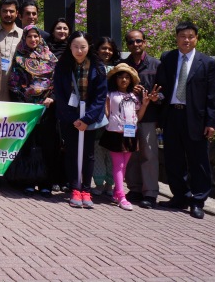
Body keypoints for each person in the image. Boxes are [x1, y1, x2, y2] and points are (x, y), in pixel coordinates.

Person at [155, 22, 215, 220]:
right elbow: (162, 86)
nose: (186, 40)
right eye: (183, 36)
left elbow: (213, 95)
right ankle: (180, 196)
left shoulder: (207, 63)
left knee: (198, 161)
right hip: (172, 115)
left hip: (196, 118)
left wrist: (211, 122)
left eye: (191, 36)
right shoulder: (168, 57)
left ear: (196, 38)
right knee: (173, 159)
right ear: (176, 38)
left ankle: (198, 200)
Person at [52, 31, 107, 209]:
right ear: (70, 47)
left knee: (88, 154)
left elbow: (100, 96)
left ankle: (86, 190)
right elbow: (59, 94)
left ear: (88, 47)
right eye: (75, 46)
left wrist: (87, 119)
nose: (79, 50)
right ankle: (75, 188)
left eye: (82, 47)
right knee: (72, 152)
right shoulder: (62, 66)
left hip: (89, 117)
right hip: (70, 117)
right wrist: (72, 118)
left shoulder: (97, 67)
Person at [100, 63, 160, 212]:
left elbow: (138, 117)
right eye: (120, 77)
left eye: (127, 77)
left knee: (125, 165)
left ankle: (116, 190)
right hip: (114, 133)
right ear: (115, 79)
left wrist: (145, 104)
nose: (124, 80)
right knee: (118, 165)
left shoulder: (134, 97)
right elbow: (106, 113)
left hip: (130, 133)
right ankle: (121, 195)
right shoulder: (110, 94)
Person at [9, 25, 60, 195]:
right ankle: (28, 181)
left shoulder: (50, 58)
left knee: (47, 145)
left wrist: (51, 97)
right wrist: (24, 103)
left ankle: (46, 183)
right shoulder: (19, 58)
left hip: (47, 108)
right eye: (29, 36)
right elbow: (14, 84)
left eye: (36, 37)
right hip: (27, 110)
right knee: (28, 146)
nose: (33, 40)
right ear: (24, 38)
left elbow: (58, 81)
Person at [123, 29, 161, 208]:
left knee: (149, 154)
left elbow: (165, 92)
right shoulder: (124, 65)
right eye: (131, 42)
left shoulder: (156, 65)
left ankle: (150, 192)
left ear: (144, 42)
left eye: (138, 41)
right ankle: (135, 188)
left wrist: (156, 98)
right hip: (128, 118)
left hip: (148, 117)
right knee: (131, 153)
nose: (135, 45)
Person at [91, 36, 120, 196]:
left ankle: (111, 184)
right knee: (97, 148)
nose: (107, 51)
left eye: (110, 49)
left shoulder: (119, 69)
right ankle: (99, 183)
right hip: (97, 113)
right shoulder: (92, 67)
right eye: (103, 48)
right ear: (97, 50)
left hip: (116, 116)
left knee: (112, 150)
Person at [0, 0, 22, 81]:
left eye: (11, 11)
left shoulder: (24, 36)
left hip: (18, 87)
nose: (8, 14)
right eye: (4, 11)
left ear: (17, 13)